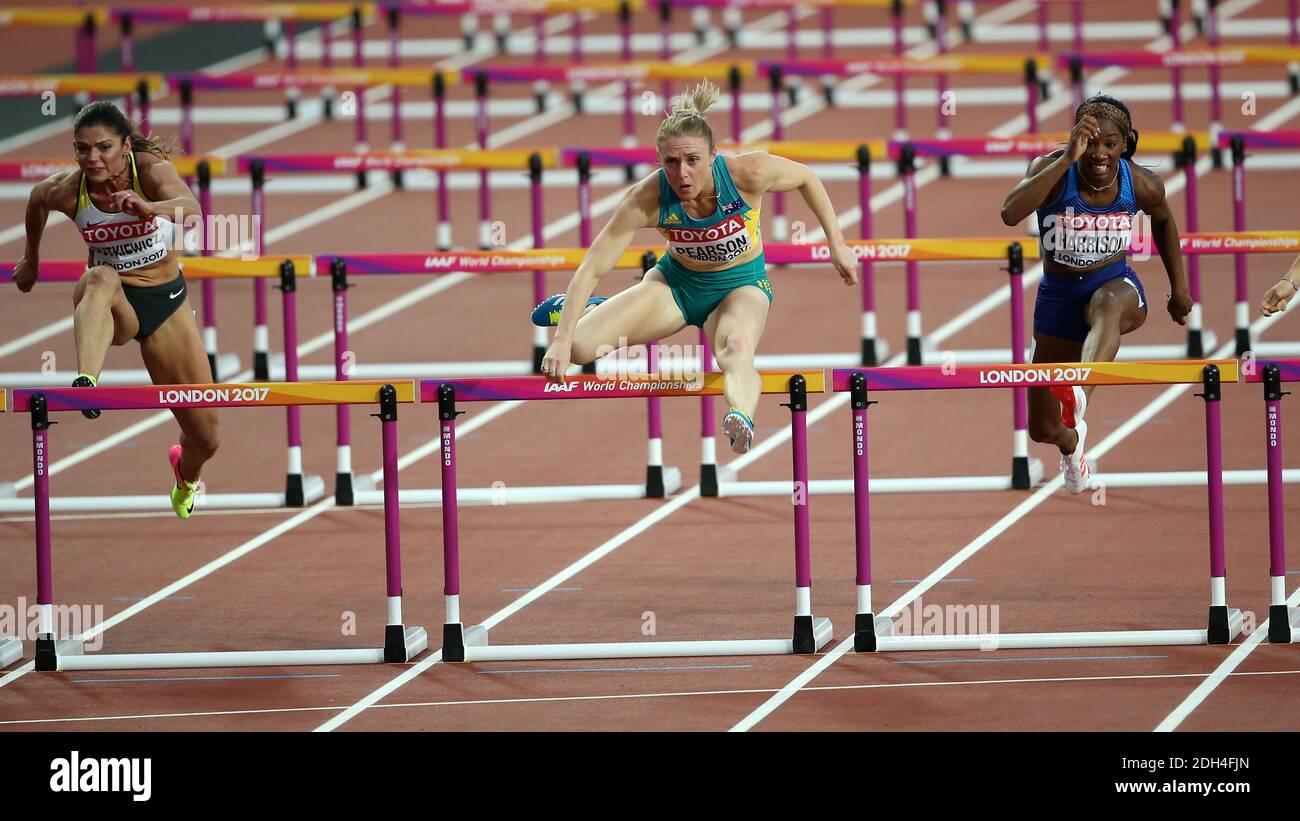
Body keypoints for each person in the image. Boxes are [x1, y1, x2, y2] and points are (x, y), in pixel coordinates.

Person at [532, 80, 860, 454]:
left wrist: (837, 243)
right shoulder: (647, 200)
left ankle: (742, 418)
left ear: (713, 156)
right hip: (675, 287)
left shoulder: (746, 174)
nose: (683, 174)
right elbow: (591, 268)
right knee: (578, 349)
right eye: (671, 163)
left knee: (736, 350)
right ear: (660, 162)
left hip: (741, 286)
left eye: (692, 161)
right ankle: (591, 311)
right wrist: (560, 342)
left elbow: (807, 178)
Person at [12, 101, 218, 519]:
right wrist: (30, 258)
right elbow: (36, 199)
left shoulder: (150, 171)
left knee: (207, 437)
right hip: (112, 304)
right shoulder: (70, 190)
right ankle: (88, 381)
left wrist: (150, 208)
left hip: (165, 304)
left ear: (125, 146)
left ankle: (186, 474)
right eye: (82, 149)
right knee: (102, 276)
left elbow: (193, 210)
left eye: (103, 147)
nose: (93, 158)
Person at [1000, 94, 1192, 494]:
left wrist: (1179, 289)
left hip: (1117, 288)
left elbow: (1163, 220)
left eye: (1110, 144)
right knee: (1042, 428)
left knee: (1105, 304)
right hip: (1058, 299)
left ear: (1126, 144)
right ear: (1075, 138)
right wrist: (1066, 160)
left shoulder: (1139, 183)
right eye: (1090, 142)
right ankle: (1073, 444)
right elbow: (1010, 213)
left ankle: (1078, 391)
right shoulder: (1051, 169)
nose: (1099, 153)